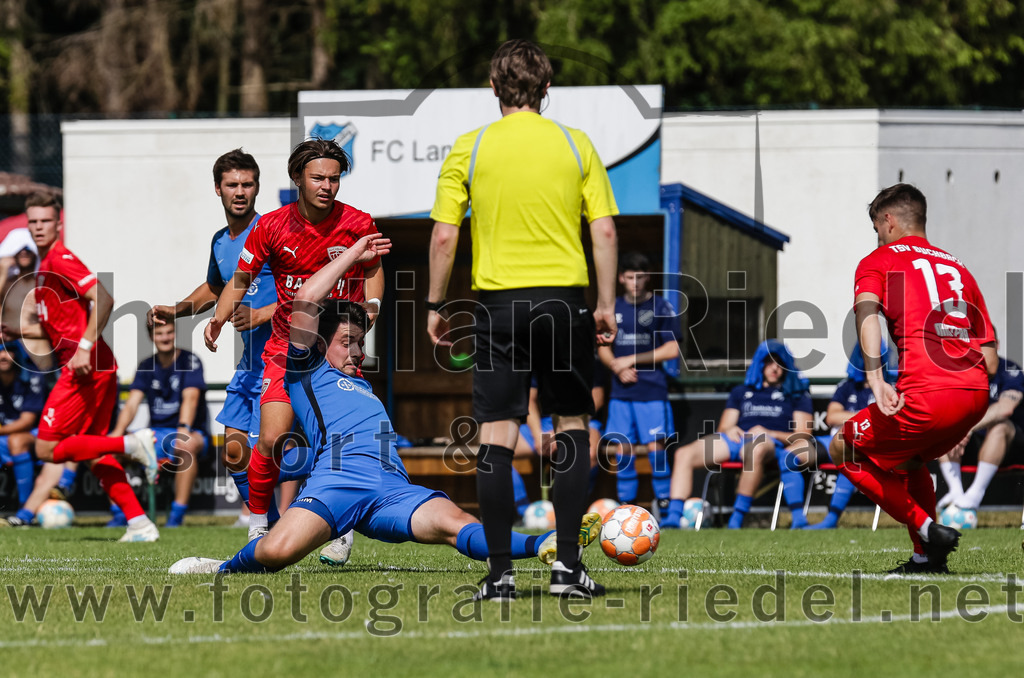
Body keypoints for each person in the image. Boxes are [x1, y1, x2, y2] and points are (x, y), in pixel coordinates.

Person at [169, 234, 600, 576]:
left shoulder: (360, 382)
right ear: (320, 342)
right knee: (278, 552)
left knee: (456, 522)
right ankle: (223, 567)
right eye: (347, 342)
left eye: (360, 343)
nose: (358, 352)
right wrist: (353, 253)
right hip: (336, 482)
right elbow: (305, 302)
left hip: (392, 487)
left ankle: (547, 544)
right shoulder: (306, 367)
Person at [427, 39, 618, 600]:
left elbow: (443, 235)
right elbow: (603, 230)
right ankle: (566, 571)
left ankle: (501, 575)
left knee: (496, 437)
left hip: (499, 307)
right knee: (570, 426)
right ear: (546, 89)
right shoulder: (574, 143)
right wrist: (604, 303)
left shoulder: (473, 145)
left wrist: (436, 306)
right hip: (564, 302)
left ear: (493, 87)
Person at [204, 139, 382, 553]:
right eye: (318, 177)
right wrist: (216, 318)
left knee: (337, 443)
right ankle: (259, 525)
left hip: (338, 352)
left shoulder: (358, 222)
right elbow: (241, 280)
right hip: (285, 347)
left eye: (334, 179)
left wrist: (371, 309)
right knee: (268, 440)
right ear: (297, 178)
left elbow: (374, 270)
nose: (327, 186)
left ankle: (340, 526)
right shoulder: (272, 226)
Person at [832, 183, 996, 574]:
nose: (877, 237)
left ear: (888, 221)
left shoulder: (880, 259)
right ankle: (926, 559)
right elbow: (990, 359)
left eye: (877, 228)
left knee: (842, 447)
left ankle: (928, 530)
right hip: (974, 394)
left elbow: (866, 314)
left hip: (928, 393)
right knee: (908, 461)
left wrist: (875, 378)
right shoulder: (959, 269)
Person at [3, 192, 160, 541]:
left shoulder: (60, 258)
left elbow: (104, 297)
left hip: (85, 368)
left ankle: (133, 445)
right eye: (33, 222)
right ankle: (140, 523)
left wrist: (86, 347)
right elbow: (57, 327)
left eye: (45, 221)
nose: (39, 227)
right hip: (95, 366)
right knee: (93, 449)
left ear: (59, 224)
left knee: (46, 448)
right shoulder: (44, 268)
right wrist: (20, 330)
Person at [148, 149, 278, 526]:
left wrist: (262, 314)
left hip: (287, 359)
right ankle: (269, 525)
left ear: (257, 188)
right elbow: (215, 288)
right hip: (250, 363)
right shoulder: (221, 242)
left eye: (247, 184)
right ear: (217, 189)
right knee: (235, 453)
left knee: (269, 451)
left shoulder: (272, 230)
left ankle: (291, 523)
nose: (240, 191)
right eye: (232, 185)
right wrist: (178, 310)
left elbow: (303, 289)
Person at [662, 340, 813, 529]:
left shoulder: (796, 394)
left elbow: (802, 435)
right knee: (683, 453)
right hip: (736, 440)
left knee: (754, 449)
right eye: (769, 362)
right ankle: (673, 518)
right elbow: (724, 427)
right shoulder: (742, 391)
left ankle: (736, 519)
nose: (774, 368)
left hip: (768, 442)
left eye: (779, 363)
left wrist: (769, 432)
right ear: (760, 363)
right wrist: (729, 430)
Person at [599, 252, 680, 514]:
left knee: (656, 448)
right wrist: (615, 365)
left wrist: (629, 360)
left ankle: (664, 505)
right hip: (621, 392)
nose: (635, 282)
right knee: (623, 448)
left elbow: (671, 349)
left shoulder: (661, 307)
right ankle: (626, 506)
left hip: (652, 390)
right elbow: (601, 347)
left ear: (647, 279)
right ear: (621, 278)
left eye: (640, 277)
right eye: (630, 277)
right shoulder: (612, 309)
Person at [109, 323, 209, 527]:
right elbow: (131, 406)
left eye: (170, 332)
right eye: (160, 333)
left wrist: (182, 430)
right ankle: (121, 514)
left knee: (185, 446)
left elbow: (191, 398)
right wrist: (117, 434)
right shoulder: (146, 365)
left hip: (190, 431)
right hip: (156, 433)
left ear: (175, 333)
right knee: (111, 449)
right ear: (151, 336)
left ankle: (176, 517)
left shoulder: (190, 360)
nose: (165, 337)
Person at [803, 342, 896, 529]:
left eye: (876, 356)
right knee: (792, 455)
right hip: (833, 441)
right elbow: (832, 416)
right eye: (865, 356)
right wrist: (867, 416)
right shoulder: (847, 386)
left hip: (868, 445)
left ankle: (831, 519)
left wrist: (853, 418)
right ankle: (798, 518)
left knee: (850, 457)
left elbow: (890, 417)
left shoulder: (889, 387)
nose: (870, 361)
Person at [935, 344, 1022, 513]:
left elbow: (1005, 408)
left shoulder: (1009, 370)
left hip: (1009, 445)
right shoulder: (962, 374)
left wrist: (968, 429)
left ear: (995, 345)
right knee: (944, 426)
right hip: (971, 444)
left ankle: (975, 495)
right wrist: (956, 430)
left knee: (1000, 426)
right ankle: (956, 493)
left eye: (982, 346)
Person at [0, 342, 46, 522]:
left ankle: (25, 507)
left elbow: (27, 422)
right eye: (0, 352)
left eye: (8, 350)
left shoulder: (31, 376)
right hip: (5, 436)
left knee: (17, 441)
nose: (4, 356)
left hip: (38, 435)